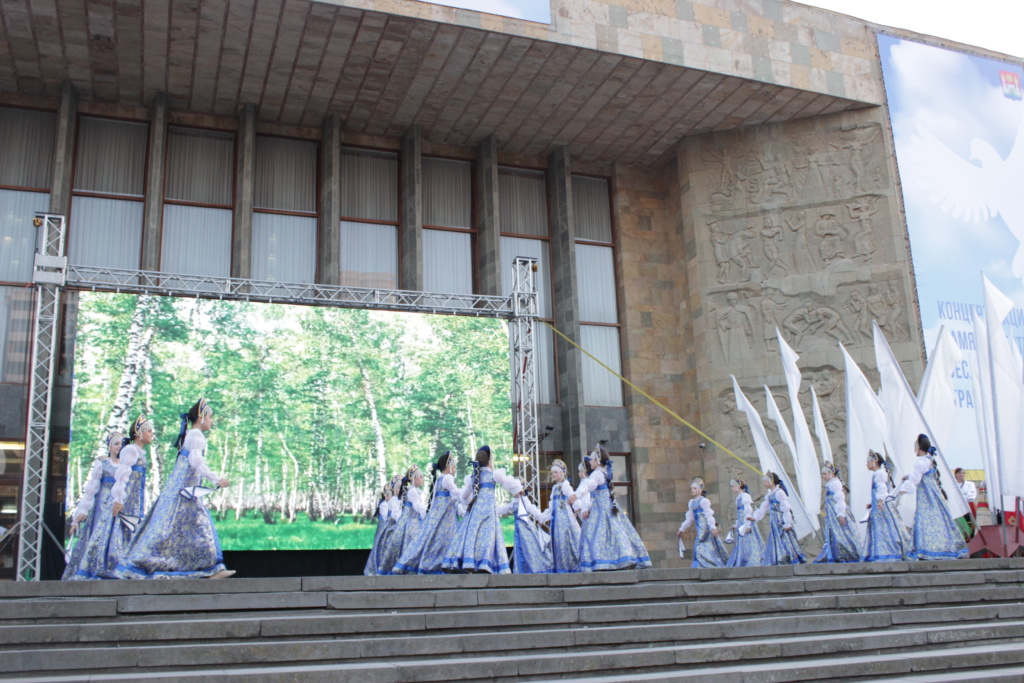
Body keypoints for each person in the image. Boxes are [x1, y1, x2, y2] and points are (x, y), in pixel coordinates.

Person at [117, 398, 234, 579]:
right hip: (185, 491)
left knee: (179, 526)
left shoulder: (190, 434)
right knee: (197, 523)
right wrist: (216, 478)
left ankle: (205, 568)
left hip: (181, 489)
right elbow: (197, 462)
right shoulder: (196, 435)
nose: (212, 421)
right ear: (201, 417)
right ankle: (210, 568)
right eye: (210, 417)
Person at [568, 445, 651, 572]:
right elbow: (596, 497)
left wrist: (576, 495)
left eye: (592, 459)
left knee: (599, 536)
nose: (590, 462)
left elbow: (588, 485)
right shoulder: (602, 472)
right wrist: (587, 508)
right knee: (613, 535)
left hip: (603, 511)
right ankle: (616, 561)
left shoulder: (597, 474)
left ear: (598, 461)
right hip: (604, 509)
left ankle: (608, 562)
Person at [63, 430, 129, 580]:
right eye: (116, 444)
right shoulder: (103, 463)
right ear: (109, 446)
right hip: (103, 505)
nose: (119, 447)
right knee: (99, 534)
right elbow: (91, 489)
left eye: (122, 444)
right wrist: (82, 511)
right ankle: (94, 568)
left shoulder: (127, 466)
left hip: (119, 506)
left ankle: (114, 568)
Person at [393, 452, 469, 575]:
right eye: (454, 465)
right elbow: (455, 493)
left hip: (442, 516)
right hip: (444, 518)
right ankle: (448, 564)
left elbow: (445, 500)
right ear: (448, 466)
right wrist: (469, 491)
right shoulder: (447, 478)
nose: (455, 468)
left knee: (436, 540)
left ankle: (441, 564)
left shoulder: (440, 479)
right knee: (446, 540)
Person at [897, 434, 969, 561]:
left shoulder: (921, 461)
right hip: (932, 496)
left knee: (925, 520)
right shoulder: (928, 460)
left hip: (927, 498)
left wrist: (904, 488)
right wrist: (907, 476)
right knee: (937, 521)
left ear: (919, 447)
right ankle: (938, 548)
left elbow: (916, 478)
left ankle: (927, 549)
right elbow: (916, 474)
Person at [442, 446, 512, 574]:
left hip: (475, 511)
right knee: (488, 537)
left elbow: (463, 496)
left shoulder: (474, 477)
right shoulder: (493, 475)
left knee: (472, 536)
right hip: (489, 512)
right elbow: (508, 484)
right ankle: (484, 564)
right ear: (490, 461)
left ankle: (469, 562)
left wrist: (466, 501)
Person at [520, 459, 580, 573]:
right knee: (558, 543)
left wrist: (579, 510)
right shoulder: (554, 488)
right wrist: (543, 518)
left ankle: (569, 567)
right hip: (556, 521)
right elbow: (551, 507)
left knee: (566, 542)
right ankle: (562, 568)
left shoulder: (565, 485)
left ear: (562, 473)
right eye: (552, 473)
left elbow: (573, 497)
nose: (553, 474)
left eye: (555, 472)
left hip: (565, 520)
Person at [861, 450, 913, 562]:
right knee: (881, 529)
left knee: (884, 528)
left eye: (868, 462)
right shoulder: (877, 473)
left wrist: (880, 501)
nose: (867, 464)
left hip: (881, 507)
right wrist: (873, 502)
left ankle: (888, 552)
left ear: (874, 462)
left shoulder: (879, 473)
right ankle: (882, 552)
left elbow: (882, 489)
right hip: (878, 506)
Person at [377, 465, 427, 575]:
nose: (422, 479)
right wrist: (427, 512)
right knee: (411, 544)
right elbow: (418, 507)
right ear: (414, 478)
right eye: (420, 477)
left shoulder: (415, 491)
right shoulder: (412, 492)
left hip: (413, 522)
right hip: (410, 523)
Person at [748, 471, 805, 565]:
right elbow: (763, 508)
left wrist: (787, 522)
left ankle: (788, 558)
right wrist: (755, 517)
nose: (764, 483)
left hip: (780, 521)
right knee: (776, 540)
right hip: (774, 522)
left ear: (772, 481)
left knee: (785, 539)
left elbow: (786, 508)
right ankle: (778, 559)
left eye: (765, 481)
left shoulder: (779, 493)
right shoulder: (770, 495)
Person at [499, 483, 553, 574]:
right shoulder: (514, 502)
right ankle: (523, 570)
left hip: (526, 528)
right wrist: (492, 509)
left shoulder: (524, 500)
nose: (513, 493)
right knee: (521, 550)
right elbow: (504, 509)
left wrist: (541, 517)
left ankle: (536, 569)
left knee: (530, 549)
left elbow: (532, 509)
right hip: (519, 530)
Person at [814, 462, 862, 563]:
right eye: (823, 474)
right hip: (833, 514)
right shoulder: (831, 484)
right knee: (835, 533)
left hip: (838, 512)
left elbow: (840, 499)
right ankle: (836, 553)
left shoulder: (835, 483)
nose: (823, 476)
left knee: (843, 533)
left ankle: (847, 553)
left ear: (831, 473)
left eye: (825, 474)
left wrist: (840, 514)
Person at [678, 477, 729, 568]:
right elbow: (689, 518)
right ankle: (704, 564)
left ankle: (703, 565)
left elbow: (709, 515)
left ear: (700, 490)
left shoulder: (704, 501)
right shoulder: (691, 503)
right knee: (702, 546)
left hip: (705, 528)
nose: (692, 490)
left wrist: (713, 527)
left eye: (695, 488)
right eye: (691, 488)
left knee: (699, 545)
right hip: (699, 528)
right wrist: (682, 529)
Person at [727, 478, 765, 567]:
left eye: (732, 486)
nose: (731, 489)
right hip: (742, 524)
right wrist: (736, 524)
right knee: (743, 543)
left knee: (750, 543)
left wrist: (747, 525)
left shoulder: (745, 496)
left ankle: (753, 562)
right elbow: (740, 514)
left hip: (746, 524)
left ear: (738, 486)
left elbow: (748, 510)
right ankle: (744, 562)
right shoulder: (738, 498)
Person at [364, 481, 395, 576]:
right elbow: (385, 518)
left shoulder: (391, 504)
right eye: (387, 494)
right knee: (381, 550)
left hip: (389, 531)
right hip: (384, 532)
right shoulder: (384, 505)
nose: (388, 496)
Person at [954, 467, 978, 540]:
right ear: (955, 475)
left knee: (970, 524)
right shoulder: (953, 485)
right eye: (959, 473)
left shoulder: (970, 484)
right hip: (956, 507)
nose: (961, 475)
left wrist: (959, 498)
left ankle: (971, 539)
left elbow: (971, 496)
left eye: (963, 473)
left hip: (968, 507)